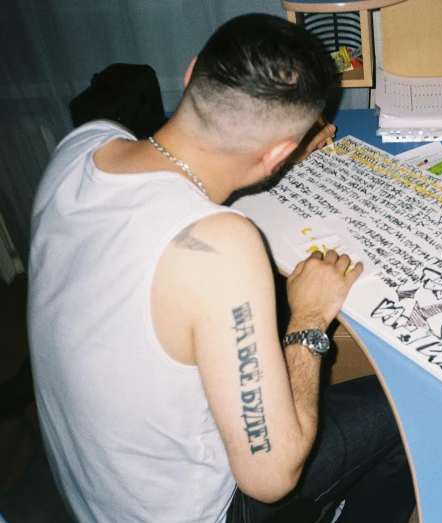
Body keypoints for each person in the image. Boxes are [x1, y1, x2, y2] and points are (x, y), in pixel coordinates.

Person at [27, 13, 415, 523]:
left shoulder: (82, 145)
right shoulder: (222, 247)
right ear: (278, 152)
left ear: (190, 75)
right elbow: (271, 480)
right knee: (402, 416)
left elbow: (176, 169)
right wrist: (309, 318)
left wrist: (269, 161)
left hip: (90, 490)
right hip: (190, 514)